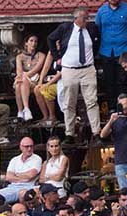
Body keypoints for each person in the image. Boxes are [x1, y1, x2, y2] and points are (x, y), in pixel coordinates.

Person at [48, 7, 101, 139]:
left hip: (87, 69)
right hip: (70, 70)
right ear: (76, 18)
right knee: (69, 102)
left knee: (92, 101)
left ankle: (96, 132)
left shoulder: (91, 29)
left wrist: (91, 58)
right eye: (84, 18)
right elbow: (50, 39)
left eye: (87, 18)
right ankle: (69, 133)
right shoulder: (65, 28)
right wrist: (57, 58)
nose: (87, 21)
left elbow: (96, 44)